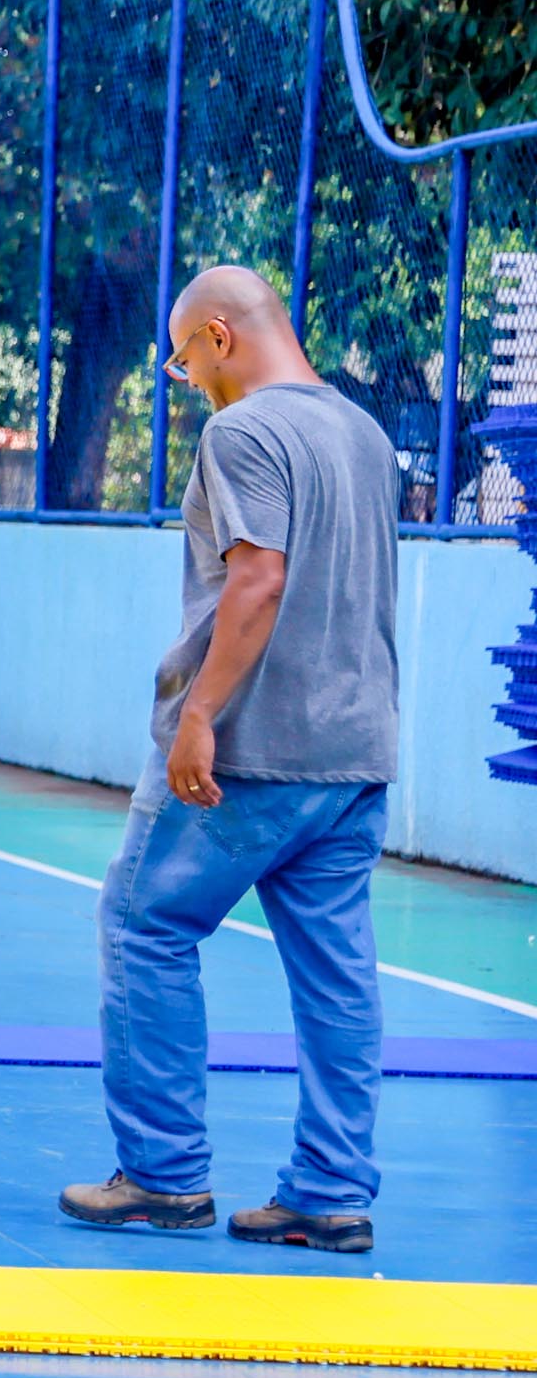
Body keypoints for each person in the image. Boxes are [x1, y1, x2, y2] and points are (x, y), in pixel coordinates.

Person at [62, 266, 404, 1251]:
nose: (183, 379)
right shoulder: (362, 434)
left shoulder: (242, 431)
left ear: (217, 334)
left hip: (252, 750)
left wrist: (199, 715)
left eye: (180, 357)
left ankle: (161, 1177)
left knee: (141, 923)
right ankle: (327, 1194)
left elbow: (256, 580)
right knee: (337, 976)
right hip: (354, 749)